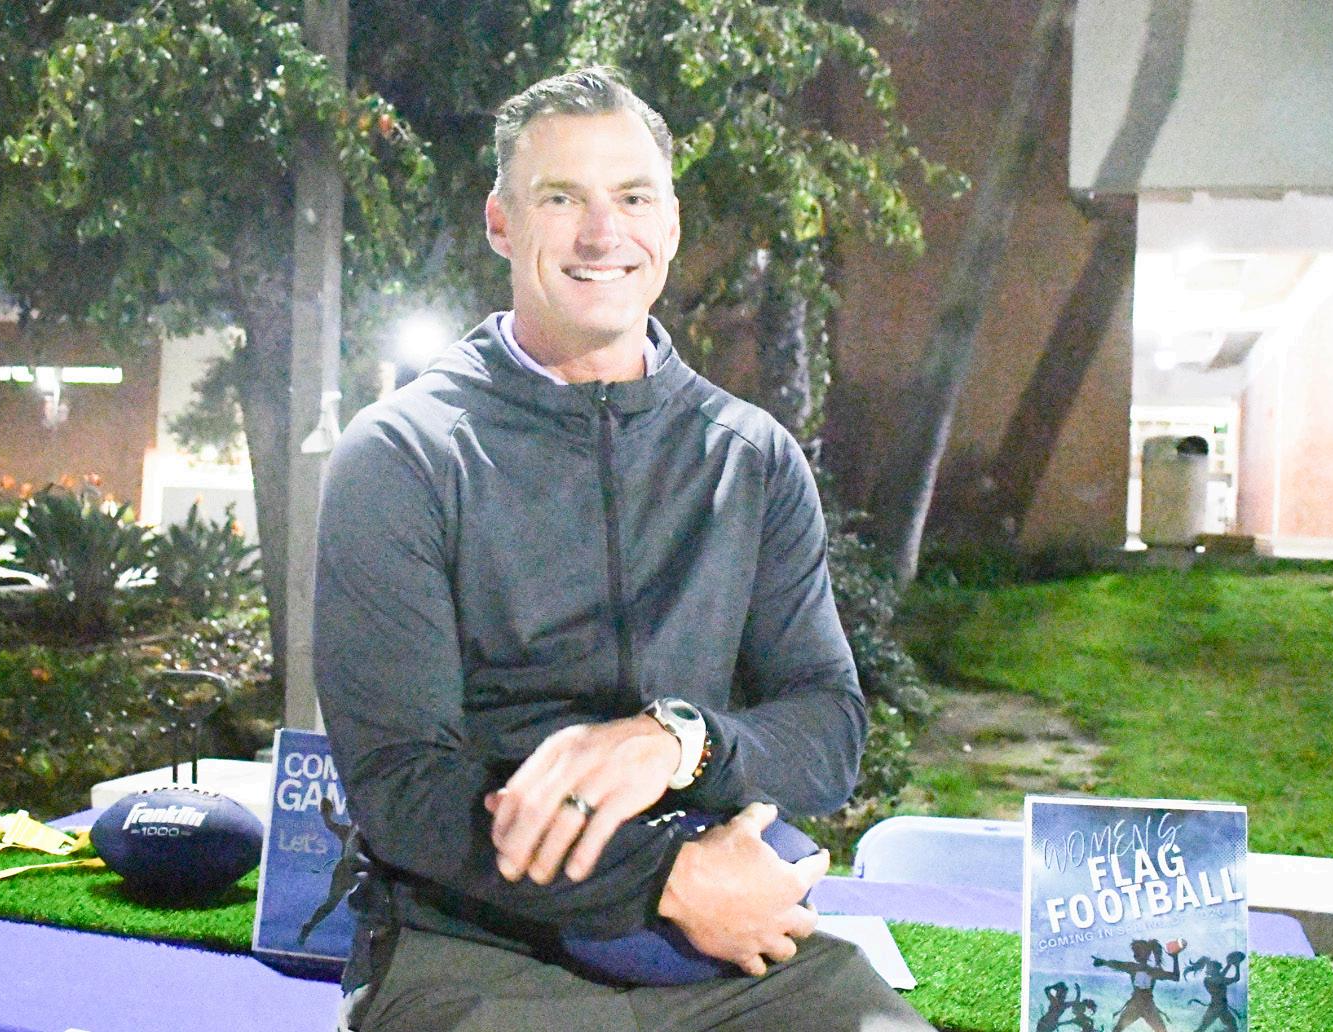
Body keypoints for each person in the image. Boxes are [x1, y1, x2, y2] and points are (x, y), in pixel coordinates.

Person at [313, 67, 932, 1032]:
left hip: (730, 957)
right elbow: (404, 787)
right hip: (475, 950)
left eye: (634, 198)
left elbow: (828, 735)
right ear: (502, 223)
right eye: (562, 199)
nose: (604, 235)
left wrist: (680, 741)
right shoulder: (403, 455)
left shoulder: (751, 457)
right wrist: (664, 878)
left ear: (671, 225)